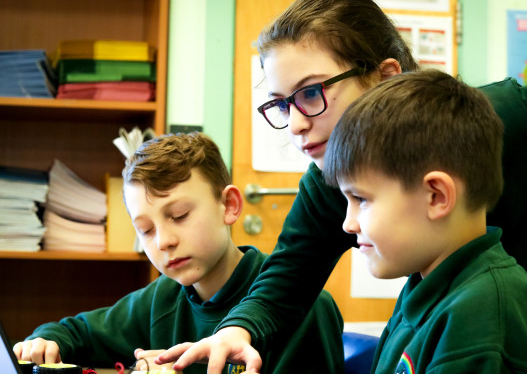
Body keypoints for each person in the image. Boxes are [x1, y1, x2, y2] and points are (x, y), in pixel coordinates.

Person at [156, 0, 527, 373]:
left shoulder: (501, 117)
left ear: (386, 76)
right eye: (281, 105)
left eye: (310, 93)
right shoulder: (328, 180)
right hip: (458, 319)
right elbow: (288, 276)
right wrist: (238, 329)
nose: (294, 126)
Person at [12, 132, 344, 374]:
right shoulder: (163, 298)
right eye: (145, 229)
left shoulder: (303, 303)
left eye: (180, 216)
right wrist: (45, 341)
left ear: (229, 206)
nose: (164, 241)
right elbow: (76, 332)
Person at [322, 69, 527, 373]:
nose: (348, 223)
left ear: (436, 196)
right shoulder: (426, 284)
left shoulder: (478, 316)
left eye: (362, 200)